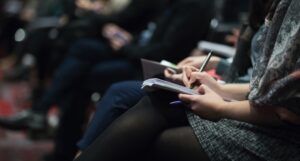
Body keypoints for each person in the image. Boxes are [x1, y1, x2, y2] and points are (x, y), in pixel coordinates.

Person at [75, 0, 300, 160]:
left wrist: (221, 105)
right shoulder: (276, 7)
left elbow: (285, 108)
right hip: (258, 110)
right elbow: (264, 87)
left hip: (282, 137)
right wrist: (216, 87)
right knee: (152, 98)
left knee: (151, 131)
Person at [0, 0, 214, 160]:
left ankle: (67, 144)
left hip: (159, 68)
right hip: (139, 52)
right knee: (81, 49)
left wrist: (126, 45)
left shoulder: (195, 5)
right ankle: (54, 130)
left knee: (87, 76)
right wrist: (125, 38)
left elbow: (165, 50)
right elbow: (142, 27)